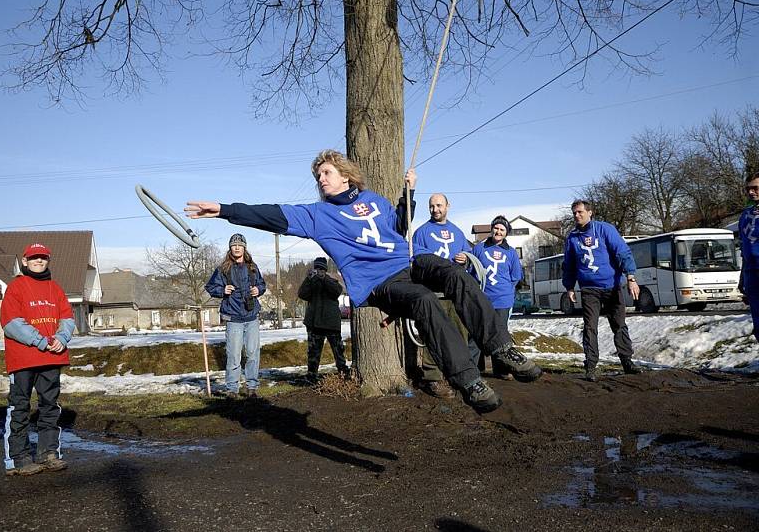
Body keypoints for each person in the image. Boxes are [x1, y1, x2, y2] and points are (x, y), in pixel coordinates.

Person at [187, 150, 541, 413]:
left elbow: (399, 227)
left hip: (408, 261)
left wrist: (408, 197)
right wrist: (223, 210)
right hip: (379, 282)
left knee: (454, 274)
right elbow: (270, 214)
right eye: (318, 177)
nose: (321, 180)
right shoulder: (316, 214)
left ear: (345, 175)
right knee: (423, 301)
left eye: (326, 173)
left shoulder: (374, 200)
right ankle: (468, 381)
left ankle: (501, 348)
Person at [1, 243, 75, 476]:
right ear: (25, 261)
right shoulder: (15, 287)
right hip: (23, 358)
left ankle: (48, 453)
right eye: (34, 258)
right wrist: (42, 341)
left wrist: (62, 338)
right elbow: (11, 323)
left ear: (47, 261)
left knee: (49, 406)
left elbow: (67, 318)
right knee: (20, 406)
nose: (38, 261)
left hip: (53, 357)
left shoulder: (56, 289)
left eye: (42, 258)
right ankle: (18, 458)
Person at [562, 200, 642, 382]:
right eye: (574, 213)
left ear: (590, 213)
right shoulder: (572, 237)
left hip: (612, 286)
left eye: (580, 212)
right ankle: (590, 366)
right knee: (590, 327)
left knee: (619, 324)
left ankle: (627, 361)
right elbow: (569, 265)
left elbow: (622, 252)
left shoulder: (605, 229)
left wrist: (631, 277)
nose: (577, 215)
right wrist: (569, 287)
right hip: (589, 289)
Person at [411, 193, 472, 398]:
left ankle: (460, 375)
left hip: (455, 294)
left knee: (459, 334)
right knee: (433, 335)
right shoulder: (421, 233)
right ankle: (433, 378)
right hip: (432, 295)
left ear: (448, 206)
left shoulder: (458, 233)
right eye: (431, 206)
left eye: (439, 205)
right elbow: (415, 262)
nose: (435, 209)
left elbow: (469, 259)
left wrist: (465, 258)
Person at [205, 233, 266, 398]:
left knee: (253, 354)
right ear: (230, 248)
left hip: (252, 317)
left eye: (240, 244)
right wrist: (222, 290)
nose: (237, 247)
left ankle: (252, 387)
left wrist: (258, 290)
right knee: (234, 355)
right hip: (233, 318)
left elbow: (262, 284)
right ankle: (232, 389)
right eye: (234, 245)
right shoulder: (223, 269)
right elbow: (210, 286)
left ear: (244, 247)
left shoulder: (252, 267)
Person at [471, 216, 523, 376]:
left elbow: (516, 276)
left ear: (506, 233)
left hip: (503, 300)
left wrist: (505, 290)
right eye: (496, 228)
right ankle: (474, 369)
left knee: (500, 335)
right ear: (491, 228)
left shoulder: (511, 252)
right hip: (482, 298)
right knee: (477, 332)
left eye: (502, 229)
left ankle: (501, 369)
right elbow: (471, 271)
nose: (498, 231)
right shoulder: (480, 248)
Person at [298, 256, 349, 381]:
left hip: (331, 323)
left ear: (325, 270)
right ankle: (312, 375)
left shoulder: (331, 281)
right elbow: (302, 294)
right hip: (314, 323)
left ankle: (343, 373)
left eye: (321, 269)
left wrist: (324, 278)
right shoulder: (311, 282)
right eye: (317, 268)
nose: (319, 271)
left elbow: (337, 291)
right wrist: (309, 279)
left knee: (338, 351)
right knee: (313, 352)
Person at [739, 173, 759, 341]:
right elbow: (744, 249)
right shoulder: (745, 215)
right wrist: (742, 280)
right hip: (751, 274)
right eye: (749, 189)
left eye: (755, 188)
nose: (751, 192)